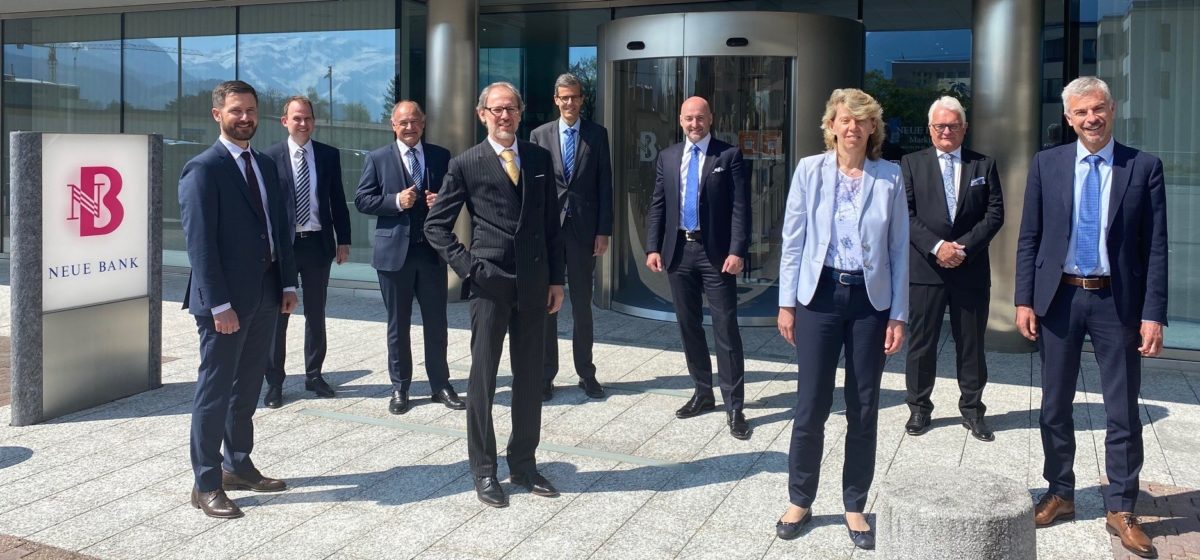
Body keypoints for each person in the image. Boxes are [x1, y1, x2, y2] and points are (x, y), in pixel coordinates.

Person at [1016, 76, 1166, 559]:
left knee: (1122, 409)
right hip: (1059, 298)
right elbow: (1029, 236)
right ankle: (1060, 492)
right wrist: (1024, 300)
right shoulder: (1048, 164)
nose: (1091, 119)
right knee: (1054, 404)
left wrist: (1153, 314)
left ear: (1112, 109)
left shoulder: (1143, 167)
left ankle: (1121, 506)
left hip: (1115, 302)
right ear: (1068, 118)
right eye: (1080, 112)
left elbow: (1156, 248)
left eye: (1097, 108)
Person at [775, 88, 908, 549]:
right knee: (811, 403)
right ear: (831, 126)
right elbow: (793, 239)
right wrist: (786, 303)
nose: (852, 127)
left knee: (864, 406)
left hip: (871, 302)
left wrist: (898, 315)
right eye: (844, 119)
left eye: (862, 120)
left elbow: (899, 250)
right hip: (819, 296)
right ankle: (800, 498)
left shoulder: (890, 176)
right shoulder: (809, 170)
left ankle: (855, 504)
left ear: (873, 128)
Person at [424, 82, 565, 508]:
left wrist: (556, 280)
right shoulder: (466, 163)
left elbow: (551, 225)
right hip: (490, 284)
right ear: (482, 114)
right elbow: (435, 226)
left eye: (512, 109)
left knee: (530, 379)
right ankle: (484, 470)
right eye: (497, 109)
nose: (505, 116)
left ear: (521, 113)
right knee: (483, 380)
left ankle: (523, 464)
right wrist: (469, 268)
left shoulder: (539, 158)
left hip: (534, 284)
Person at [179, 80, 298, 519]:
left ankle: (238, 465)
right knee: (214, 393)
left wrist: (287, 285)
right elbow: (200, 246)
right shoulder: (202, 169)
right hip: (224, 304)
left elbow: (279, 229)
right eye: (236, 111)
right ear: (218, 115)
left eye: (250, 110)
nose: (245, 118)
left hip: (266, 293)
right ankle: (206, 482)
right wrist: (218, 305)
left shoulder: (264, 164)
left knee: (247, 387)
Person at [644, 96, 751, 440]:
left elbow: (740, 207)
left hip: (715, 254)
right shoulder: (668, 156)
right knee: (688, 325)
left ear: (711, 119)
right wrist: (652, 246)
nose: (694, 124)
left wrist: (737, 250)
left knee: (725, 328)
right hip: (679, 252)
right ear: (680, 120)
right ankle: (703, 392)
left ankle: (734, 405)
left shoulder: (728, 155)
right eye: (689, 118)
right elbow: (658, 204)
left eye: (700, 118)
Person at [902, 96, 1004, 440]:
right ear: (930, 129)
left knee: (971, 344)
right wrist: (938, 247)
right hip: (925, 270)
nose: (946, 131)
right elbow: (905, 213)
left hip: (969, 269)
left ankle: (973, 411)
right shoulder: (911, 163)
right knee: (922, 343)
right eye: (940, 126)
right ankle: (919, 408)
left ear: (965, 128)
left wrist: (962, 249)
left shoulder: (983, 165)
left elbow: (995, 214)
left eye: (953, 125)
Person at [355, 101, 464, 415]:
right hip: (393, 257)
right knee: (398, 325)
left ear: (423, 123)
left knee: (437, 323)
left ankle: (440, 385)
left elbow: (455, 197)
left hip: (430, 254)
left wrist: (440, 201)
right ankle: (400, 388)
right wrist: (395, 201)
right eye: (403, 122)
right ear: (393, 125)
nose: (409, 127)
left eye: (414, 121)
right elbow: (362, 199)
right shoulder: (377, 158)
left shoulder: (441, 156)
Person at [261, 96, 351, 408]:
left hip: (317, 244)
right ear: (284, 121)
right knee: (279, 316)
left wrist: (343, 239)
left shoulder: (328, 155)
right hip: (283, 248)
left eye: (308, 118)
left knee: (316, 313)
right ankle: (274, 383)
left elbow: (337, 199)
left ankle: (314, 375)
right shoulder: (268, 157)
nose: (303, 123)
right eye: (297, 118)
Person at [530, 72, 612, 402]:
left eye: (574, 97)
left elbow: (605, 184)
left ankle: (586, 373)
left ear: (582, 99)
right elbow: (533, 187)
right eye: (564, 97)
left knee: (582, 306)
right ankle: (545, 375)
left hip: (583, 232)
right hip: (548, 232)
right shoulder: (539, 135)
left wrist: (603, 230)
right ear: (556, 100)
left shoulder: (597, 135)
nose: (569, 102)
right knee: (548, 304)